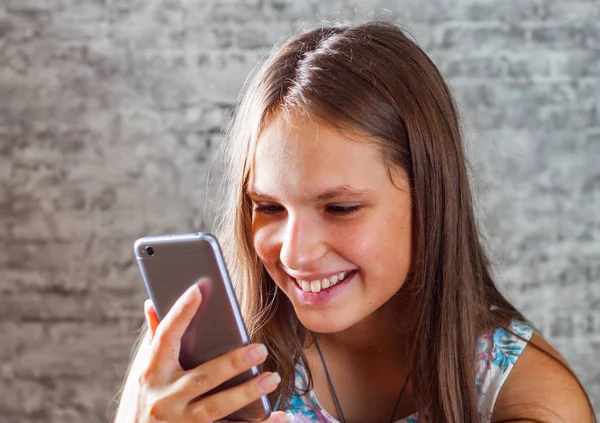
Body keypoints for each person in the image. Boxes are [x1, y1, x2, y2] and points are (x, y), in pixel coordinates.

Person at [114, 21, 596, 423]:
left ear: (430, 200)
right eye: (269, 207)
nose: (294, 253)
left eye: (340, 208)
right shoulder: (193, 368)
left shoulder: (528, 397)